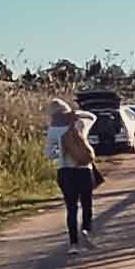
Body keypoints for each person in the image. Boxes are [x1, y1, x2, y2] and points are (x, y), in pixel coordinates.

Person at [49, 100, 100, 246]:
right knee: (87, 204)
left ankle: (73, 244)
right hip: (84, 169)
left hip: (65, 172)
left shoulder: (53, 130)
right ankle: (86, 229)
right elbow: (92, 116)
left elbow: (49, 154)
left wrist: (60, 151)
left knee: (71, 208)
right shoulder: (81, 123)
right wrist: (74, 114)